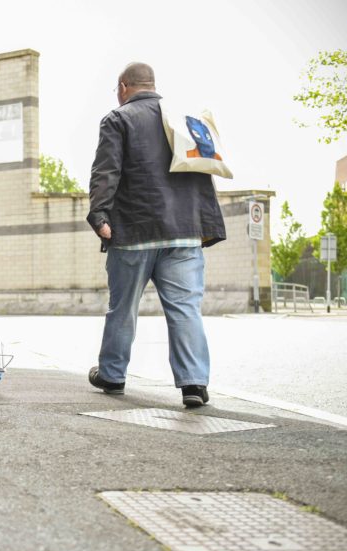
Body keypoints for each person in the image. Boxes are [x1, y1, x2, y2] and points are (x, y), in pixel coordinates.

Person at [86, 62, 226, 408]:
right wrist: (205, 227)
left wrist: (99, 216)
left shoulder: (118, 120)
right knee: (185, 310)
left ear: (123, 86)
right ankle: (194, 384)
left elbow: (106, 172)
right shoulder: (183, 121)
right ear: (152, 84)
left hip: (134, 232)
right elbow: (202, 175)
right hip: (183, 235)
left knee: (122, 309)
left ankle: (113, 375)